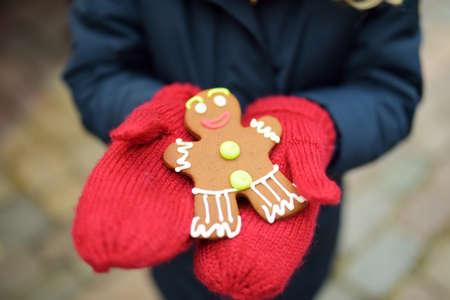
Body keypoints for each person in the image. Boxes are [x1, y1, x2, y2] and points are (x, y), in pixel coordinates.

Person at [63, 0, 422, 299]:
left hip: (297, 244)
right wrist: (159, 112)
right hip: (178, 238)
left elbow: (390, 87)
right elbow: (99, 70)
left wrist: (319, 122)